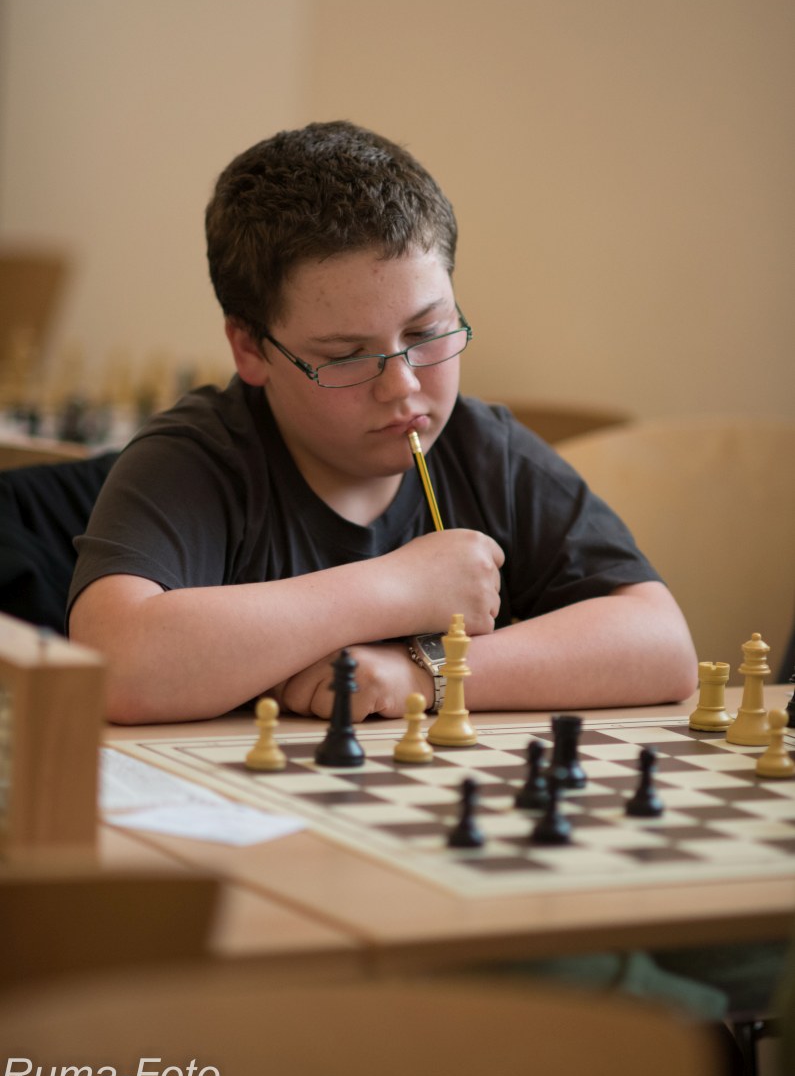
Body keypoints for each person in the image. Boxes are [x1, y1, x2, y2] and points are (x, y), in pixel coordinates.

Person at [68, 121, 697, 725]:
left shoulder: (488, 454)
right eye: (346, 355)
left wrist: (423, 674)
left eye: (426, 332)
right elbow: (111, 667)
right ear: (251, 350)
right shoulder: (197, 459)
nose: (403, 385)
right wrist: (399, 587)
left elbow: (662, 644)